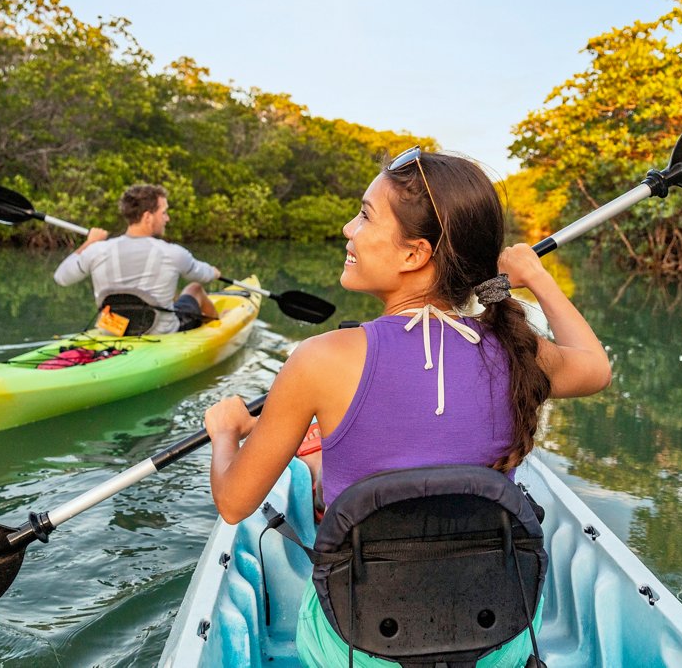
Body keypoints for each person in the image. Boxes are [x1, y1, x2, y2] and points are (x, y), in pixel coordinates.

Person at [204, 147, 612, 666]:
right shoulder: (517, 350)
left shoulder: (320, 359)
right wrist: (535, 276)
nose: (349, 229)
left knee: (317, 468)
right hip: (493, 643)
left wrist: (225, 431)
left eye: (365, 216)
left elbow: (235, 503)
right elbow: (595, 367)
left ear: (414, 253)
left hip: (360, 649)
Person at [53, 184, 220, 334]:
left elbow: (61, 277)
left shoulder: (97, 250)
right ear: (148, 217)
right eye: (164, 212)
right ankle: (219, 328)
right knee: (195, 289)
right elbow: (202, 275)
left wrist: (89, 243)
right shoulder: (173, 253)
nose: (167, 218)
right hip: (160, 332)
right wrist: (214, 272)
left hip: (112, 331)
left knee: (171, 296)